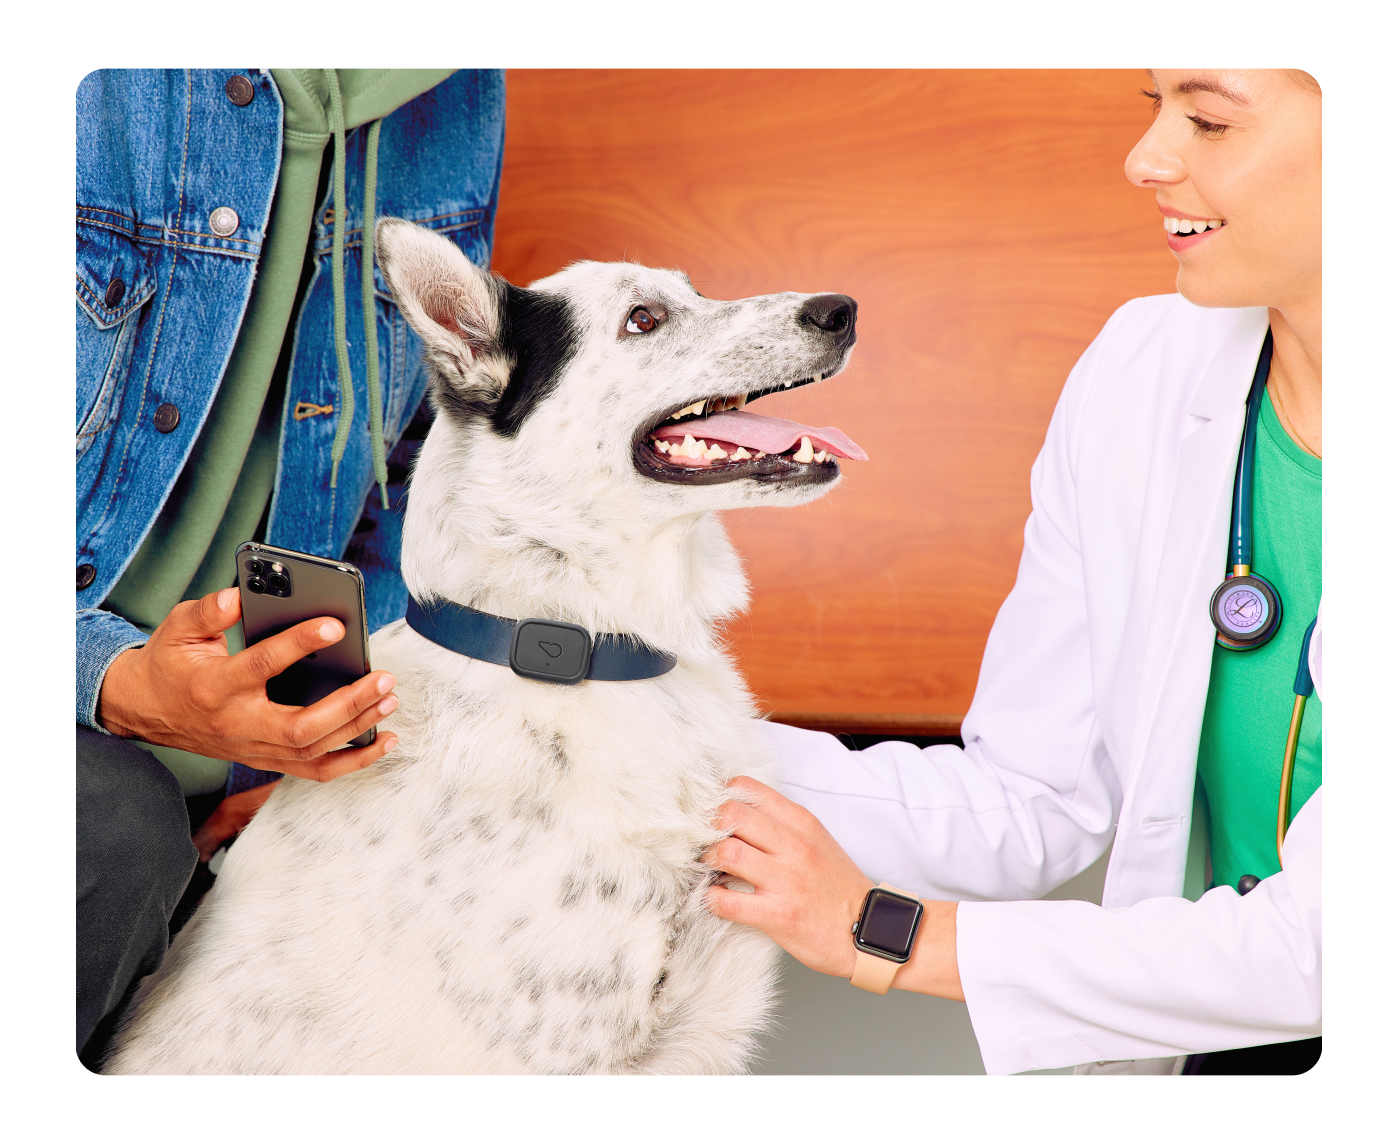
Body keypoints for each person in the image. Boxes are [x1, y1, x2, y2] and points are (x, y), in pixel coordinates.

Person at [705, 68, 1322, 1076]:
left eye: (1209, 119)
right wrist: (640, 755)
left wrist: (882, 930)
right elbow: (1034, 792)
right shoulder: (1143, 369)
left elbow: (1308, 952)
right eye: (1154, 106)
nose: (1148, 159)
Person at [76, 68, 506, 1065]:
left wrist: (313, 724)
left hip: (216, 761)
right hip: (116, 767)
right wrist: (117, 680)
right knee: (115, 825)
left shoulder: (455, 96)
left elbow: (412, 456)